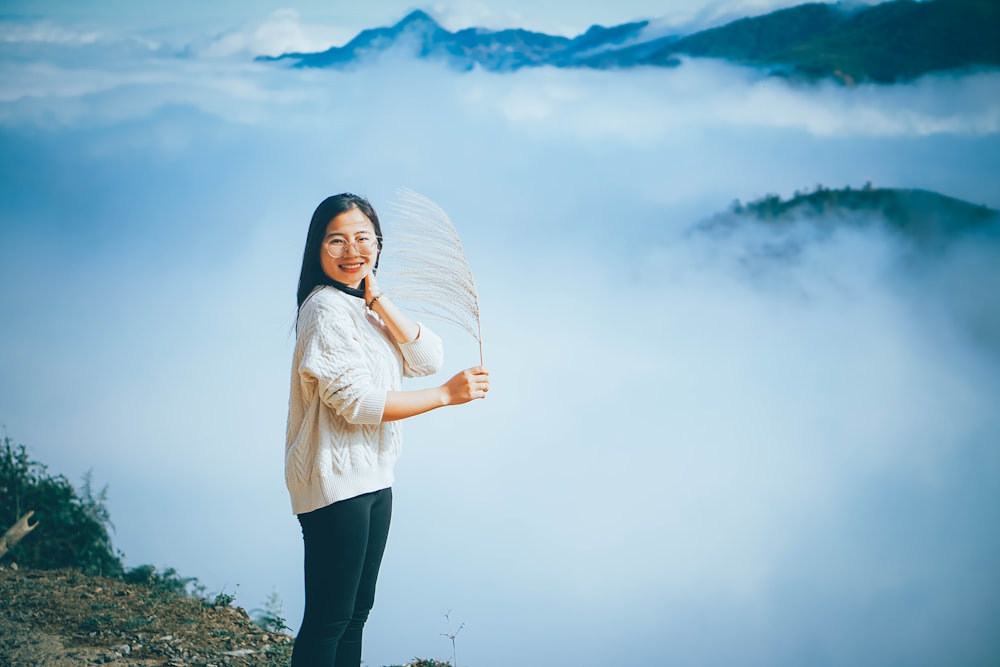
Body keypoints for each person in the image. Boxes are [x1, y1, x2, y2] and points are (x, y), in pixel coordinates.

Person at [285, 192, 489, 667]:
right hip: (335, 482)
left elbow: (426, 357)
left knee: (356, 614)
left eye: (363, 239)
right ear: (317, 249)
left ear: (379, 245)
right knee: (329, 619)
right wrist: (444, 396)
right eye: (336, 241)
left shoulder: (361, 306)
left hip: (374, 476)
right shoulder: (325, 310)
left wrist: (378, 298)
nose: (351, 251)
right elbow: (357, 403)